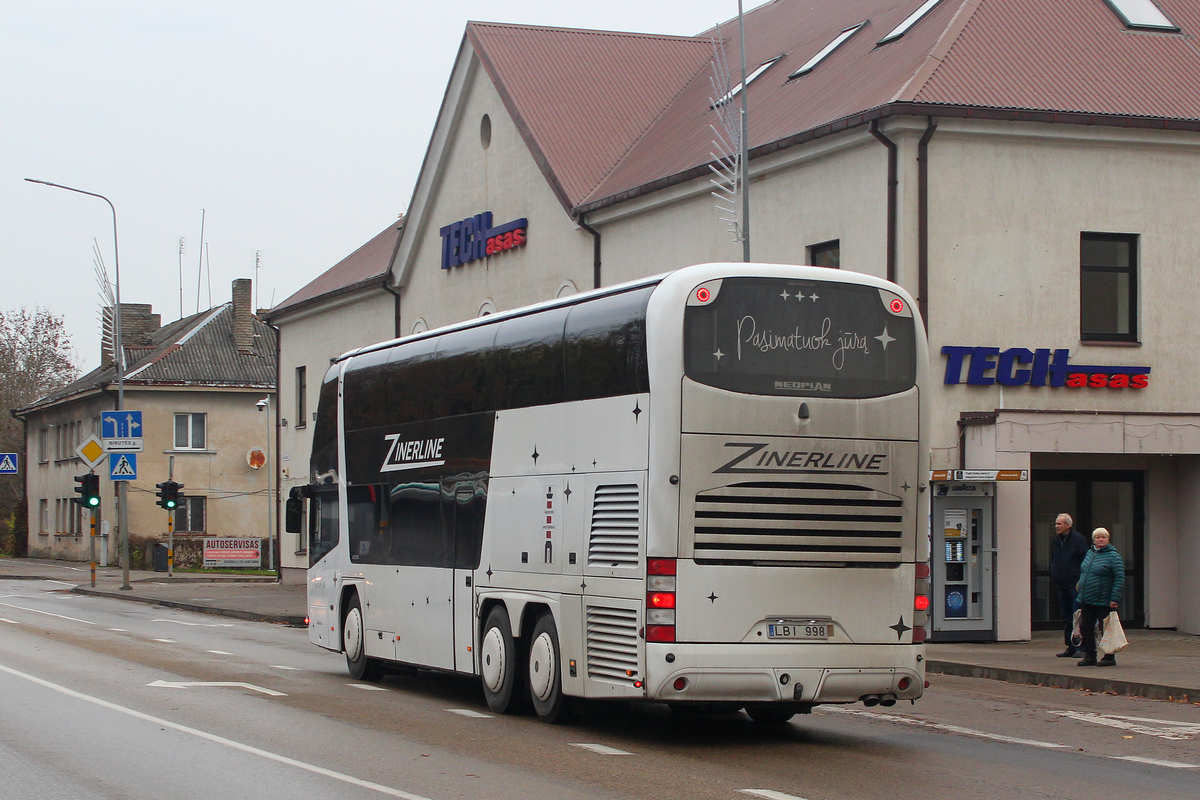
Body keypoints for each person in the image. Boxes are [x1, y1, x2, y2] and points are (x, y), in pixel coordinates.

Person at [1075, 528, 1125, 667]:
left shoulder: (1114, 557)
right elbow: (1084, 573)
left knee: (1106, 629)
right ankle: (1090, 655)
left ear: (1108, 539)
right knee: (1086, 627)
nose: (1100, 540)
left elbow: (1119, 579)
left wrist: (1114, 598)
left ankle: (1109, 656)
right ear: (1094, 540)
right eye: (1098, 537)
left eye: (1103, 537)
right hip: (1087, 598)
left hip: (1104, 600)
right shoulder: (1090, 554)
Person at [1049, 513, 1089, 657]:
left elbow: (1084, 560)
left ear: (1068, 525)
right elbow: (1054, 559)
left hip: (1075, 584)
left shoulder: (1078, 540)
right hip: (1061, 583)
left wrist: (1079, 578)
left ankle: (1081, 647)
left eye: (1059, 524)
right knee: (1066, 616)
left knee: (1077, 615)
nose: (1056, 526)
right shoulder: (1055, 541)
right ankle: (1070, 646)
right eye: (1056, 523)